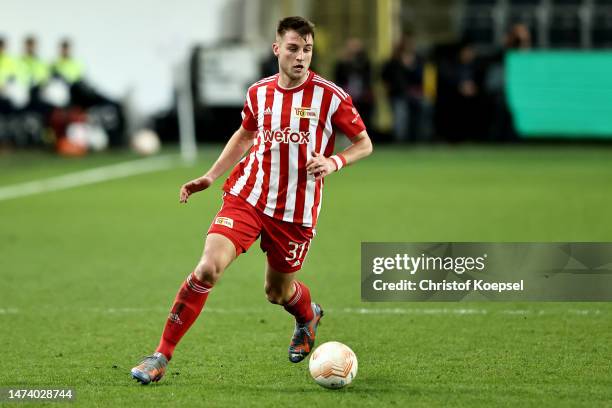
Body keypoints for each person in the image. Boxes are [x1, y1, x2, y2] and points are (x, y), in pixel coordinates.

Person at [130, 16, 373, 385]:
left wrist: (334, 160)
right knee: (208, 267)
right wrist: (210, 177)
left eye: (307, 49)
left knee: (277, 292)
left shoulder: (330, 96)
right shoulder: (259, 93)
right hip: (248, 196)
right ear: (277, 49)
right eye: (293, 48)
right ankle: (160, 355)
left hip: (294, 211)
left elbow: (364, 143)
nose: (301, 57)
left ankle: (308, 315)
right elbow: (244, 136)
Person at [381, 34, 424, 143]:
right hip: (398, 93)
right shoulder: (393, 61)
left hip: (414, 94)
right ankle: (400, 141)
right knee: (401, 118)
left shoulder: (418, 60)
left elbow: (420, 76)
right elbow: (384, 76)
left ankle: (416, 139)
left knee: (416, 116)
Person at [334, 38, 374, 130]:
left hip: (363, 95)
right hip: (347, 93)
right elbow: (339, 77)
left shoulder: (365, 62)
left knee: (364, 116)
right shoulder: (342, 63)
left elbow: (368, 77)